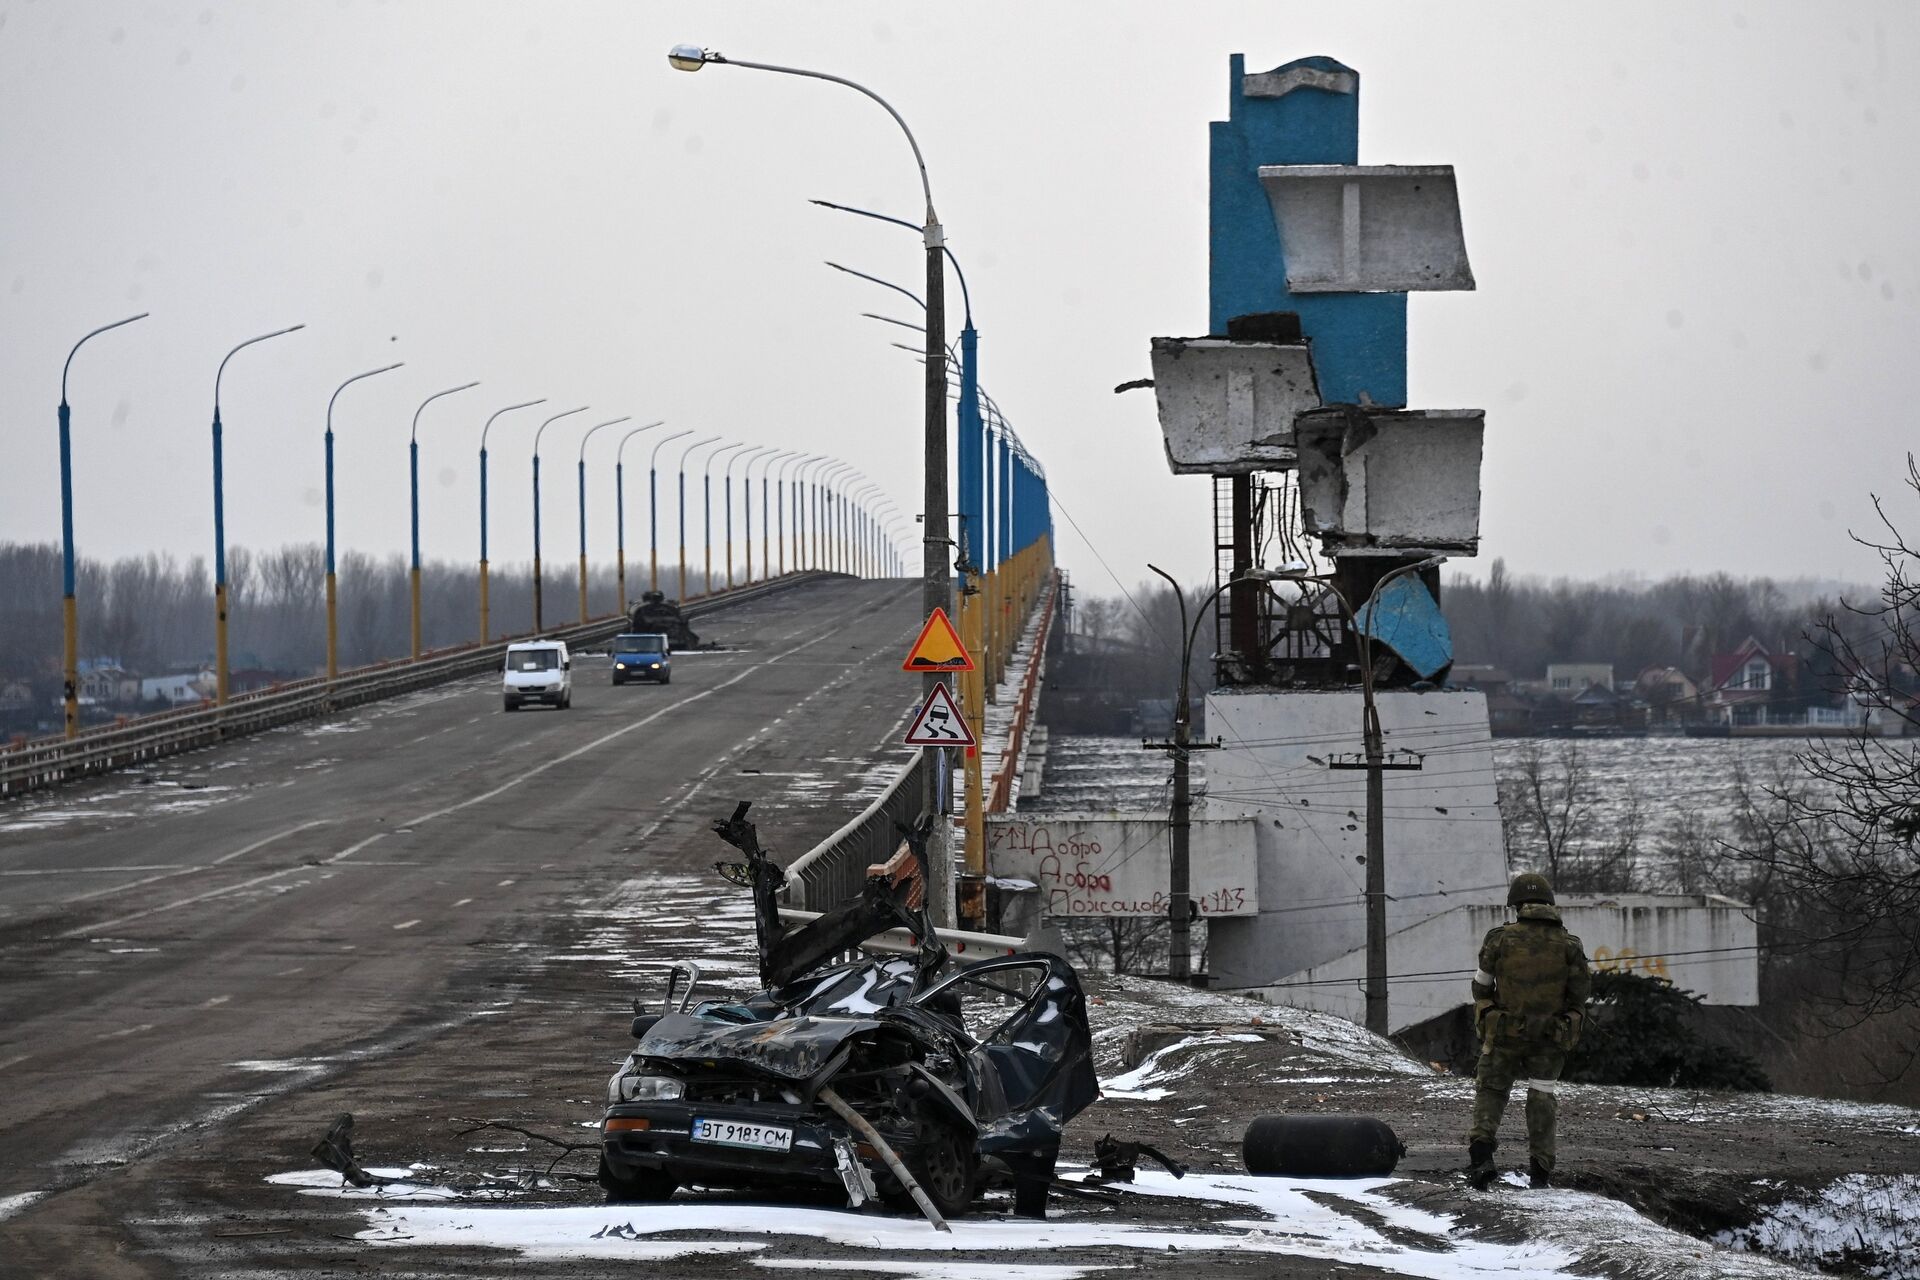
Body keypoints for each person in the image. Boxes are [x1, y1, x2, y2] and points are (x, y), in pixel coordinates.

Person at [1467, 872, 1591, 1189]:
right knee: (1541, 1098)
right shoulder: (1570, 946)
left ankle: (1481, 1157)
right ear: (1549, 905)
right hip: (1548, 1038)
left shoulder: (1498, 939)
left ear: (1517, 905)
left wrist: (1495, 1010)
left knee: (1492, 1092)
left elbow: (1480, 986)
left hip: (1504, 1033)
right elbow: (1579, 996)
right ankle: (1540, 1170)